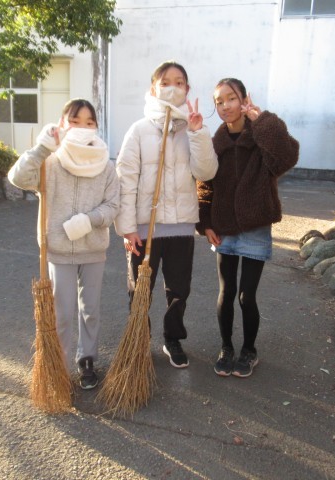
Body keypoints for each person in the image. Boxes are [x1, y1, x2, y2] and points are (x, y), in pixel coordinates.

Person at [7, 99, 119, 390]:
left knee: (91, 310)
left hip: (93, 249)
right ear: (62, 124)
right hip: (58, 249)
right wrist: (41, 148)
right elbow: (17, 178)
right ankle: (59, 366)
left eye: (89, 122)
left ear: (97, 127)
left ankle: (87, 359)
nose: (82, 127)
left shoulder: (106, 166)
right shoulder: (51, 162)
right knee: (62, 313)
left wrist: (89, 220)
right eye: (75, 121)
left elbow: (113, 206)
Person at [115, 60, 218, 368]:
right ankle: (139, 340)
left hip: (181, 226)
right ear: (153, 88)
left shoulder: (193, 129)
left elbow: (206, 172)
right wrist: (127, 227)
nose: (173, 87)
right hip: (144, 228)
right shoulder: (139, 130)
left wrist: (198, 133)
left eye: (179, 82)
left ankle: (173, 339)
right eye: (165, 82)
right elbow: (125, 180)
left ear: (187, 89)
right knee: (139, 290)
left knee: (179, 290)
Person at [197, 78, 299, 378]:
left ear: (243, 100)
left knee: (247, 295)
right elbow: (204, 184)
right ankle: (226, 348)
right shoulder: (215, 144)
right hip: (223, 227)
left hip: (255, 227)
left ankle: (249, 350)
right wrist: (205, 223)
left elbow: (287, 157)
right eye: (219, 101)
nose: (225, 106)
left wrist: (262, 120)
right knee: (226, 291)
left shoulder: (261, 136)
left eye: (231, 98)